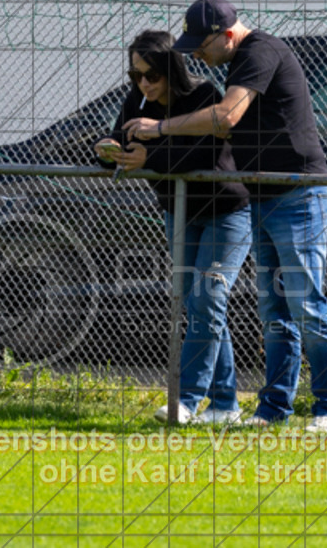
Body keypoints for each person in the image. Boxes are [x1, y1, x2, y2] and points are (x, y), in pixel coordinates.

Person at [124, 0, 327, 435]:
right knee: (275, 310)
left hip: (301, 195)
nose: (196, 56)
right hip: (263, 198)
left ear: (228, 36)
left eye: (201, 46)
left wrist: (160, 128)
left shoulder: (259, 51)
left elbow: (226, 117)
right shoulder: (236, 60)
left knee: (306, 305)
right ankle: (273, 409)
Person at [95, 29, 252, 425]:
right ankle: (225, 406)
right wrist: (106, 151)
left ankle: (186, 399)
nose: (143, 83)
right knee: (201, 305)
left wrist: (151, 156)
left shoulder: (204, 96)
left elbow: (207, 151)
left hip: (226, 209)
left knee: (209, 297)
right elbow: (122, 139)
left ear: (171, 70)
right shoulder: (138, 100)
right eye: (135, 76)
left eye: (151, 75)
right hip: (178, 212)